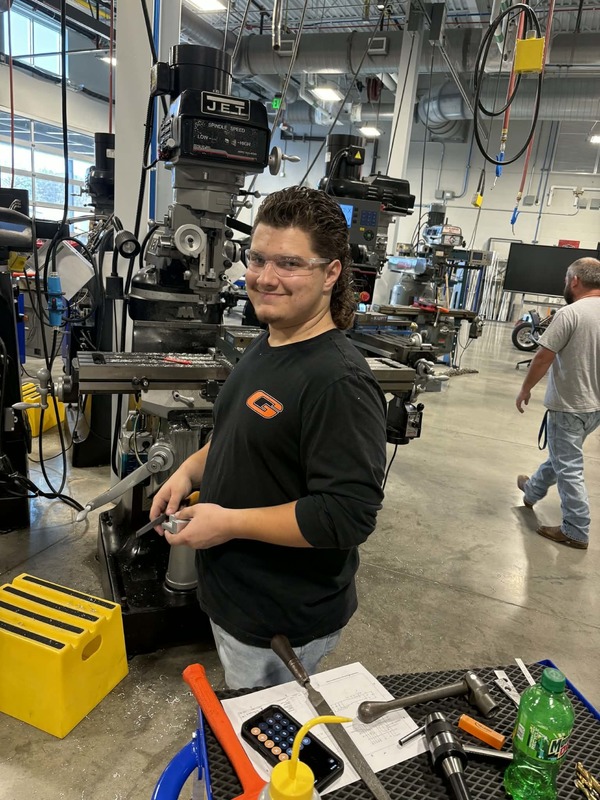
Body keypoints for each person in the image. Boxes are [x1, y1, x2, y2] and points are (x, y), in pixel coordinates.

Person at [149, 186, 388, 687]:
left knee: (273, 752)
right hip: (238, 600)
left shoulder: (338, 381)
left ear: (331, 273)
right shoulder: (270, 341)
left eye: (289, 263)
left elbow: (345, 515)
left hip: (281, 622)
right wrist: (190, 470)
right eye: (257, 259)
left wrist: (228, 523)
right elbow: (243, 435)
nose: (265, 278)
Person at [516, 257, 600, 550]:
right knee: (564, 454)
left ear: (575, 280)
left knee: (569, 465)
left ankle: (576, 529)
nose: (566, 284)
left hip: (569, 404)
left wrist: (525, 388)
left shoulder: (570, 313)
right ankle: (533, 489)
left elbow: (543, 357)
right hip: (595, 407)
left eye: (567, 279)